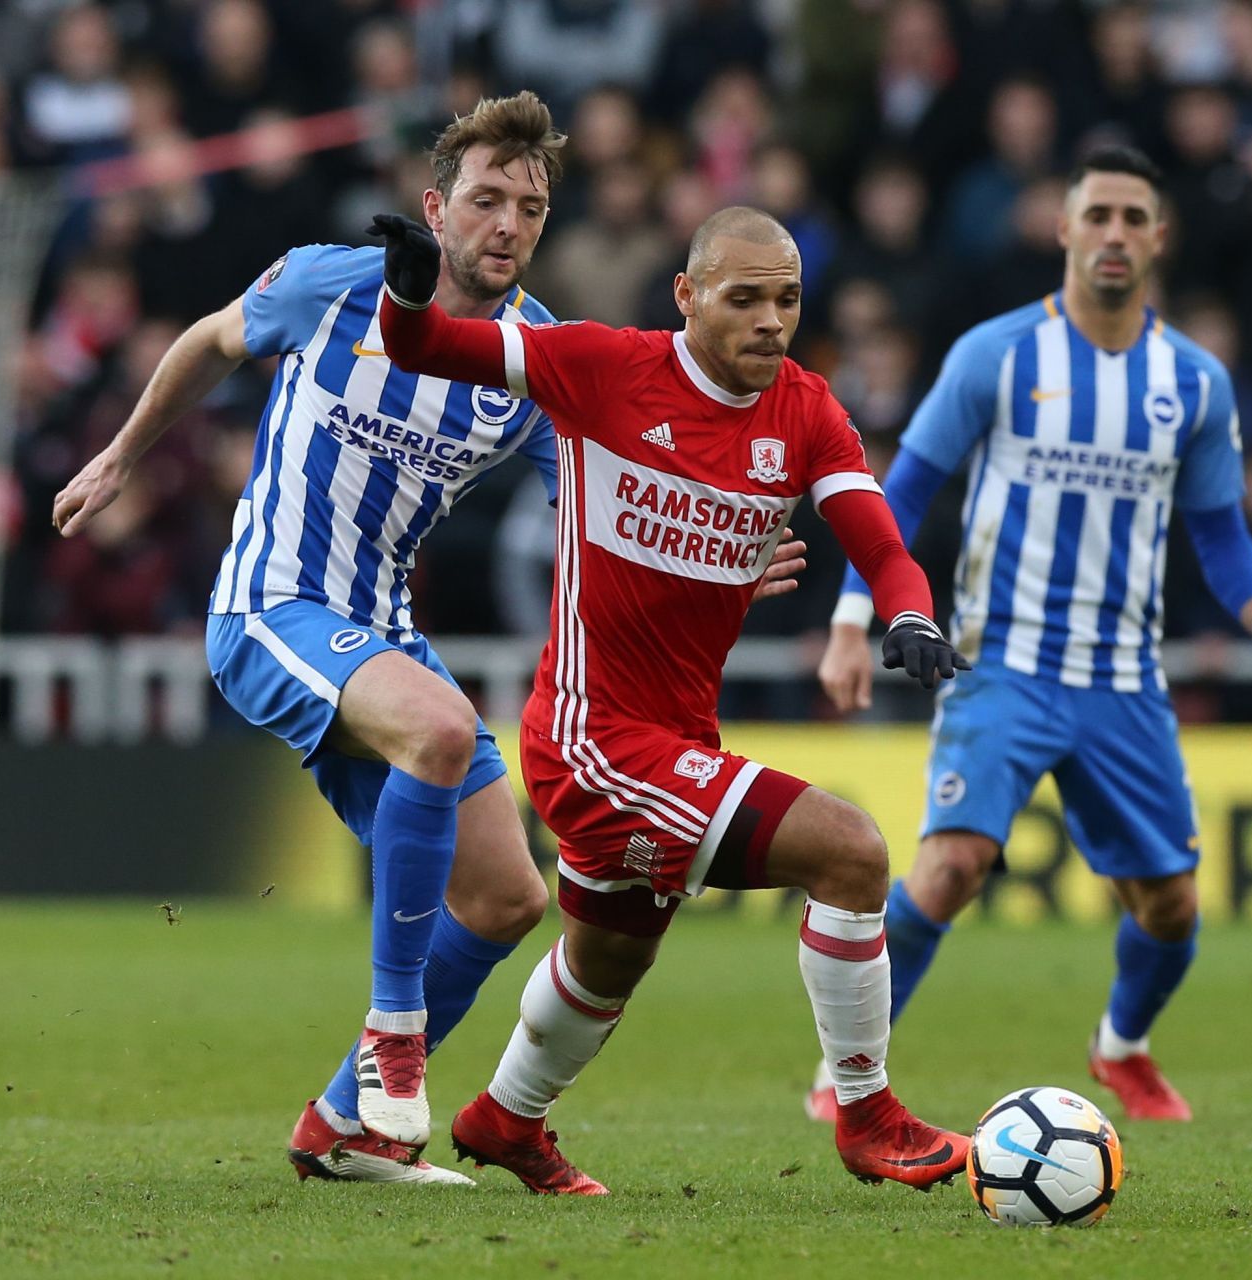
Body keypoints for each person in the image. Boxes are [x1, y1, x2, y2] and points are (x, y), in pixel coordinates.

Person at [50, 93, 804, 1187]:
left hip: (380, 631)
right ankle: (393, 1039)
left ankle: (343, 1124)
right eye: (488, 200)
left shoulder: (537, 358)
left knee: (507, 895)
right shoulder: (334, 282)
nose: (508, 223)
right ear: (435, 207)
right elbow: (214, 339)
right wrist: (121, 455)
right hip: (271, 604)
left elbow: (618, 498)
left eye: (531, 207)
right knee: (444, 726)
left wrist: (721, 537)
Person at [369, 201, 974, 1195]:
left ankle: (505, 1117)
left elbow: (881, 540)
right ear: (689, 296)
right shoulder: (601, 366)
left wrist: (907, 614)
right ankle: (867, 1112)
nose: (771, 321)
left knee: (610, 955)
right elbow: (422, 342)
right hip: (589, 736)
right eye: (745, 299)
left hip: (675, 738)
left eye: (786, 299)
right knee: (853, 850)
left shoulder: (806, 409)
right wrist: (404, 287)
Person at [811, 147, 1252, 1123]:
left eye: (1135, 217)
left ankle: (1120, 1045)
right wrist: (849, 617)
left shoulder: (1198, 382)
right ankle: (852, 1074)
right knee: (951, 863)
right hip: (1000, 660)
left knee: (1171, 905)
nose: (1116, 235)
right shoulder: (997, 354)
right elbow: (901, 490)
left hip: (1124, 676)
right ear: (1065, 228)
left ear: (1159, 236)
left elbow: (1217, 529)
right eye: (1099, 216)